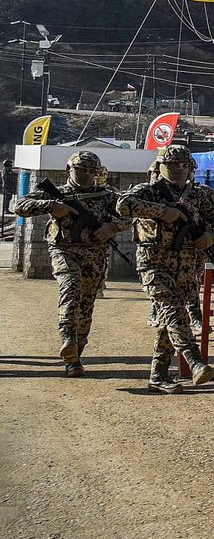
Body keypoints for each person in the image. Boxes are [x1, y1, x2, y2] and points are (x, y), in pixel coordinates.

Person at [117, 144, 214, 393]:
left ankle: (159, 375)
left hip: (188, 266)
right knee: (173, 311)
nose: (178, 169)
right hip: (154, 264)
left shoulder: (201, 194)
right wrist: (162, 211)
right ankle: (195, 361)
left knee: (172, 320)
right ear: (159, 167)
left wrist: (212, 234)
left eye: (184, 165)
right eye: (172, 165)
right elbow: (123, 205)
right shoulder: (148, 191)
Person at [12, 151, 128, 375]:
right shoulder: (56, 194)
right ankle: (67, 338)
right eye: (80, 170)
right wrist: (50, 206)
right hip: (64, 250)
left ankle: (75, 356)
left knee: (86, 305)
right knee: (70, 287)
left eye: (90, 171)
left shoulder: (107, 195)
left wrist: (112, 227)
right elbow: (20, 206)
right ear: (69, 170)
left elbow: (130, 214)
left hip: (95, 254)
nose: (85, 175)